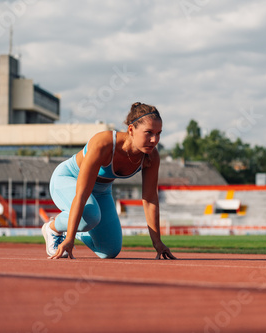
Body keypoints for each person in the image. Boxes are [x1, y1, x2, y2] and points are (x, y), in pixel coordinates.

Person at [42, 102, 176, 260]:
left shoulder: (151, 156)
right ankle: (52, 228)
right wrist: (69, 239)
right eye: (149, 133)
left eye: (158, 133)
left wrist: (157, 243)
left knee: (109, 250)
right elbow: (82, 194)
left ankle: (76, 227)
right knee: (90, 214)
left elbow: (150, 199)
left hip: (101, 192)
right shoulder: (104, 144)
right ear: (131, 129)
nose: (154, 140)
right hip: (68, 180)